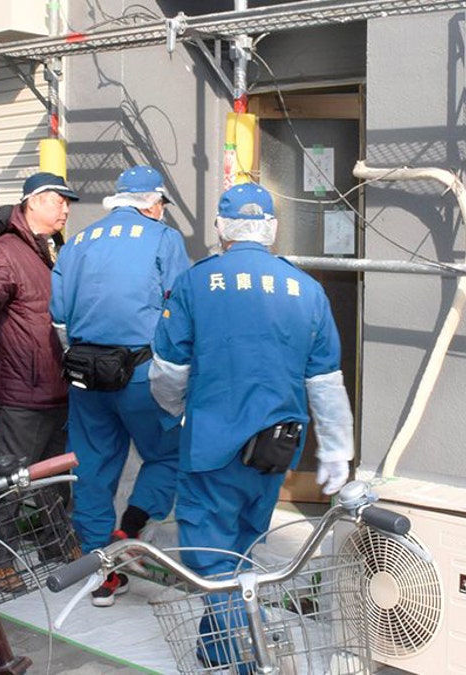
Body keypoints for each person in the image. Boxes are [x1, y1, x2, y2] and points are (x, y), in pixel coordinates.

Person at [149, 183, 354, 669]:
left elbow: (168, 372)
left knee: (210, 559)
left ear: (220, 228)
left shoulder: (197, 282)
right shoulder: (307, 288)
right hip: (274, 450)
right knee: (242, 548)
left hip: (211, 446)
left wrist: (179, 410)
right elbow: (325, 380)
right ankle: (215, 645)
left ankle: (243, 659)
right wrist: (336, 451)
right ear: (273, 230)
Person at [50, 165, 188, 607]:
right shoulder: (162, 238)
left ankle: (101, 576)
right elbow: (180, 307)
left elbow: (59, 312)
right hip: (142, 373)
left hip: (86, 373)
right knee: (168, 455)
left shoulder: (77, 242)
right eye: (162, 204)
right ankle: (127, 532)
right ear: (152, 202)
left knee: (90, 468)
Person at [0, 172, 75, 474]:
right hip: (23, 393)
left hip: (57, 389)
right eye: (59, 202)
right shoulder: (7, 249)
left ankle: (53, 524)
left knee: (54, 484)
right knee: (10, 485)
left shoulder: (53, 249)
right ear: (33, 202)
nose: (66, 210)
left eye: (68, 204)